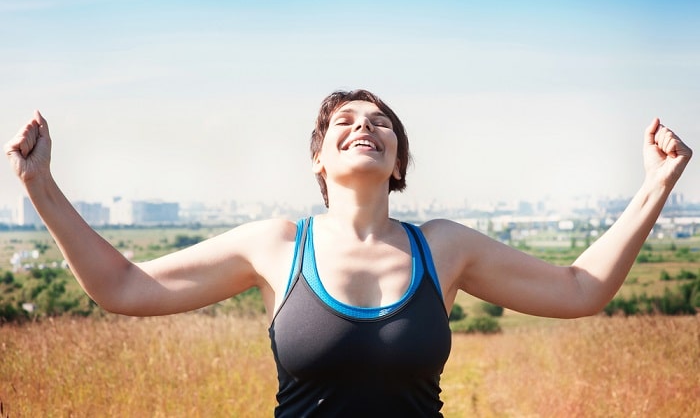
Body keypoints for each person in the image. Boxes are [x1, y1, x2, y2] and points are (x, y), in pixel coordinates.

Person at [3, 89, 693, 417]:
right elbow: (122, 285)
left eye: (380, 123)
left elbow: (578, 289)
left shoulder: (444, 247)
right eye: (345, 123)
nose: (364, 127)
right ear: (318, 159)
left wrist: (657, 185)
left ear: (398, 163)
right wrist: (40, 185)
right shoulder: (277, 244)